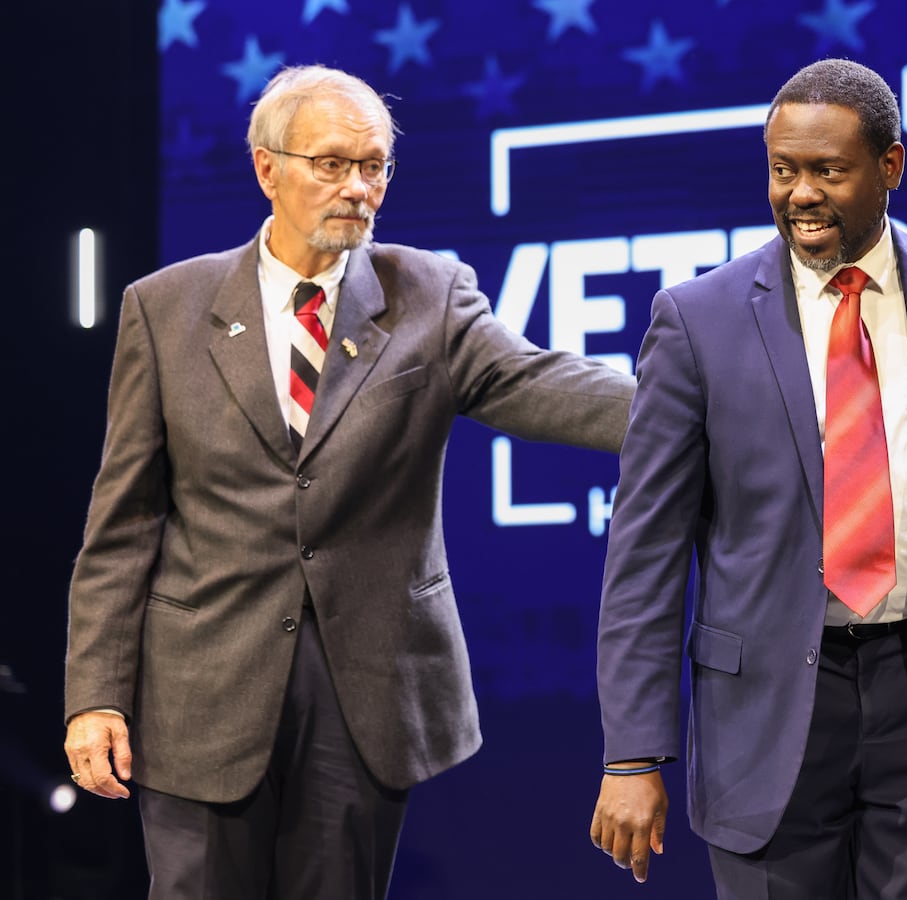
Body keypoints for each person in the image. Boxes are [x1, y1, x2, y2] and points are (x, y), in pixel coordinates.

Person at [61, 64, 634, 899]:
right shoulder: (165, 307)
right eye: (332, 164)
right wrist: (95, 696)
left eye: (374, 167)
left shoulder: (428, 294)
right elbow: (123, 524)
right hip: (200, 693)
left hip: (361, 695)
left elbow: (542, 385)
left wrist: (709, 407)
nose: (358, 188)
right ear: (268, 169)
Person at [588, 58, 907, 898]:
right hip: (764, 722)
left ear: (890, 167)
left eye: (828, 171)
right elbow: (644, 557)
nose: (801, 193)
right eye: (783, 170)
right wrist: (632, 752)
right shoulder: (698, 321)